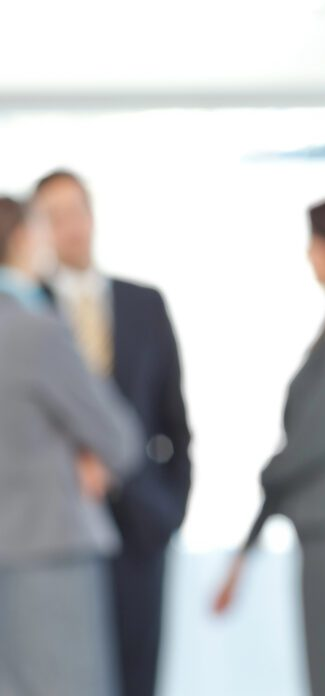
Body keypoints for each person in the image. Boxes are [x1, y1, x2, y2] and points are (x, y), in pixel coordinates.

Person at [214, 196, 325, 696]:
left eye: (317, 242)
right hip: (323, 532)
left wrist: (263, 476)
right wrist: (243, 553)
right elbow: (303, 447)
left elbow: (312, 443)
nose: (309, 255)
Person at [31, 170, 192, 696]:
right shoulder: (25, 316)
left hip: (143, 524)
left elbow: (176, 425)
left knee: (139, 676)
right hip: (58, 530)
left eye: (74, 212)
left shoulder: (145, 304)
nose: (69, 228)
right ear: (38, 231)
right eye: (53, 218)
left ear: (92, 215)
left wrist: (170, 508)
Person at [0, 196, 142, 696]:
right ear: (21, 240)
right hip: (50, 548)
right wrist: (84, 450)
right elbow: (119, 438)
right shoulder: (35, 329)